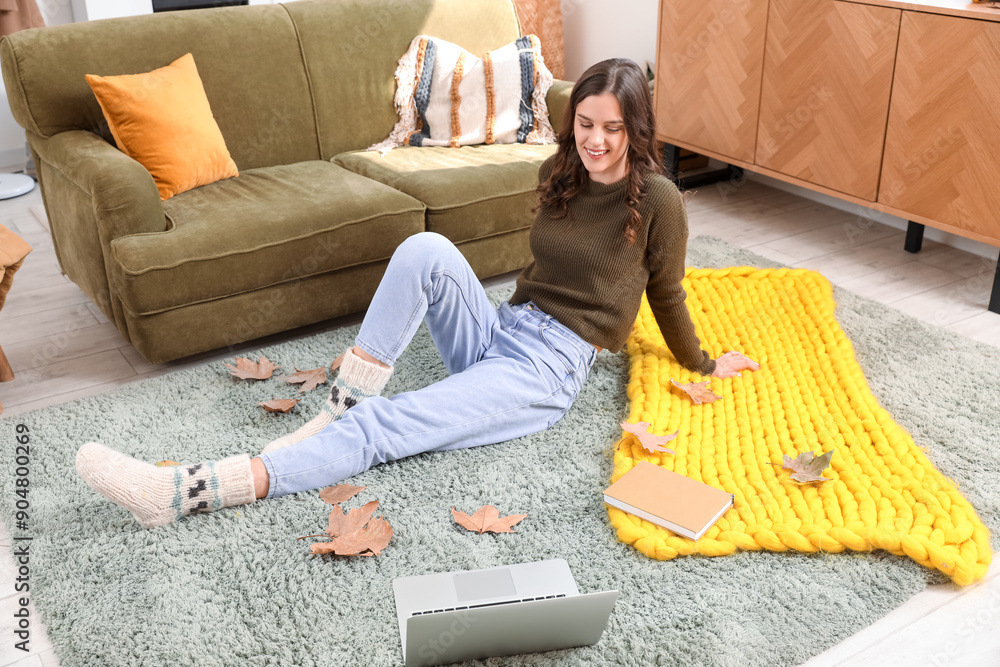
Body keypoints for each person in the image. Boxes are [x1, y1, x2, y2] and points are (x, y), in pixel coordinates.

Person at [75, 58, 759, 529]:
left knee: (382, 428)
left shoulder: (659, 199)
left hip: (545, 369)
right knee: (424, 250)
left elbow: (667, 293)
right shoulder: (561, 171)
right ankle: (339, 407)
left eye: (613, 128)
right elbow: (545, 271)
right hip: (504, 327)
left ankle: (186, 491)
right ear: (572, 118)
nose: (596, 140)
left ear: (636, 128)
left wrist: (702, 361)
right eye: (586, 122)